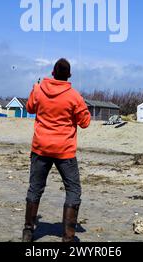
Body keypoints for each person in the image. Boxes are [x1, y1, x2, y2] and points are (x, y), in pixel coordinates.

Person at [22, 58, 91, 242]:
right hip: (64, 150)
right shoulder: (74, 96)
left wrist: (34, 90)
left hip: (41, 147)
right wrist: (80, 105)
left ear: (53, 73)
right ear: (69, 76)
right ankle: (68, 238)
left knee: (35, 189)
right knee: (73, 190)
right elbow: (85, 123)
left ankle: (28, 231)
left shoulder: (39, 89)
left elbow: (29, 108)